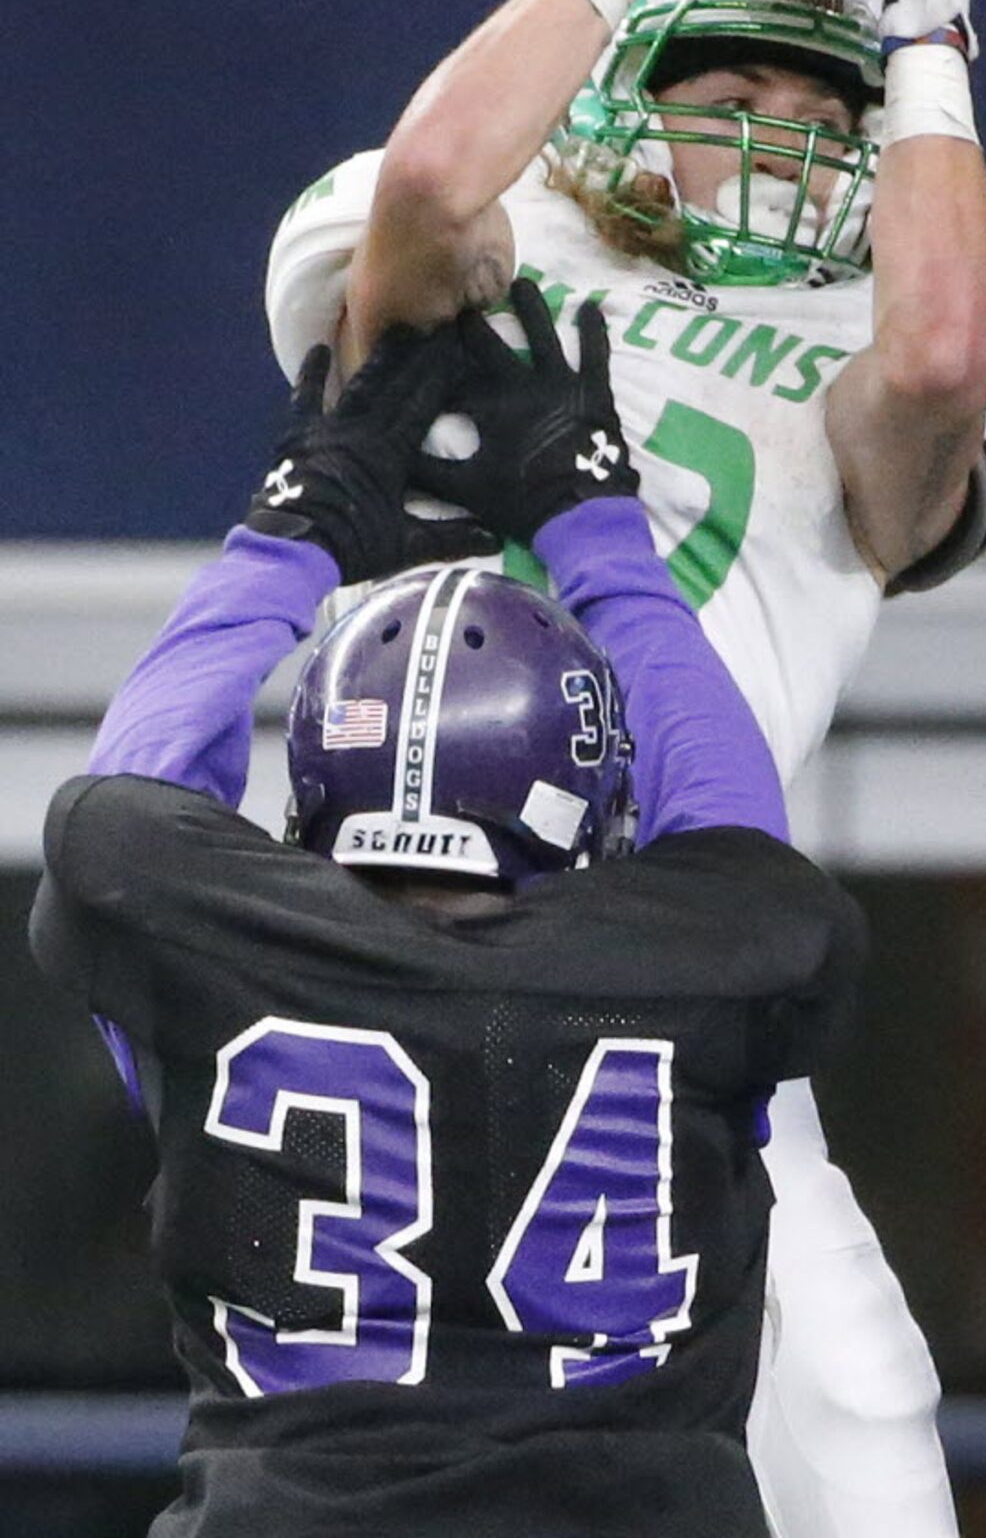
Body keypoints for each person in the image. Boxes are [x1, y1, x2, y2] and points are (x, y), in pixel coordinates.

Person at [263, 0, 986, 1537]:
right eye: (734, 83)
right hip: (390, 927)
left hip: (669, 966)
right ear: (626, 86)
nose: (781, 124)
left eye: (819, 102)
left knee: (862, 1451)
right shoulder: (502, 242)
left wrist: (924, 33)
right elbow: (428, 188)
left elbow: (937, 355)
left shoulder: (896, 343)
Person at [31, 284, 864, 1538]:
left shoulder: (198, 939)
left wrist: (292, 532)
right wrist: (598, 535)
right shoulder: (711, 953)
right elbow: (728, 821)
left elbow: (130, 804)